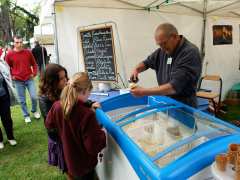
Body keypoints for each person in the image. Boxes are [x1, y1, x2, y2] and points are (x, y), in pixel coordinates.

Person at [45, 72, 106, 180]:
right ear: (84, 91)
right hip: (84, 165)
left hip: (67, 158)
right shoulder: (87, 115)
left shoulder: (57, 106)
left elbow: (49, 126)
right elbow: (93, 146)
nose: (89, 96)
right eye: (89, 93)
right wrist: (102, 132)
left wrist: (63, 138)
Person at [130, 23, 202, 107]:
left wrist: (143, 92)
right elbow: (147, 63)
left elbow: (174, 87)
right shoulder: (163, 50)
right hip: (166, 102)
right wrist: (136, 69)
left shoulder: (190, 52)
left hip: (184, 106)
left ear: (175, 37)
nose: (162, 48)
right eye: (159, 45)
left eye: (164, 43)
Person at [5, 36, 41, 123]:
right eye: (17, 42)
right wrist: (11, 76)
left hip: (29, 78)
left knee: (34, 97)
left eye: (21, 42)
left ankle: (34, 110)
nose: (19, 44)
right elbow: (6, 67)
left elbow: (34, 64)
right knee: (22, 100)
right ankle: (26, 115)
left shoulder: (28, 52)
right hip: (18, 80)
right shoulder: (9, 54)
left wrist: (34, 73)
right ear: (14, 43)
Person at [0, 53, 18, 149]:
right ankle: (0, 140)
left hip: (3, 96)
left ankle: (10, 137)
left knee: (6, 118)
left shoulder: (1, 63)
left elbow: (7, 77)